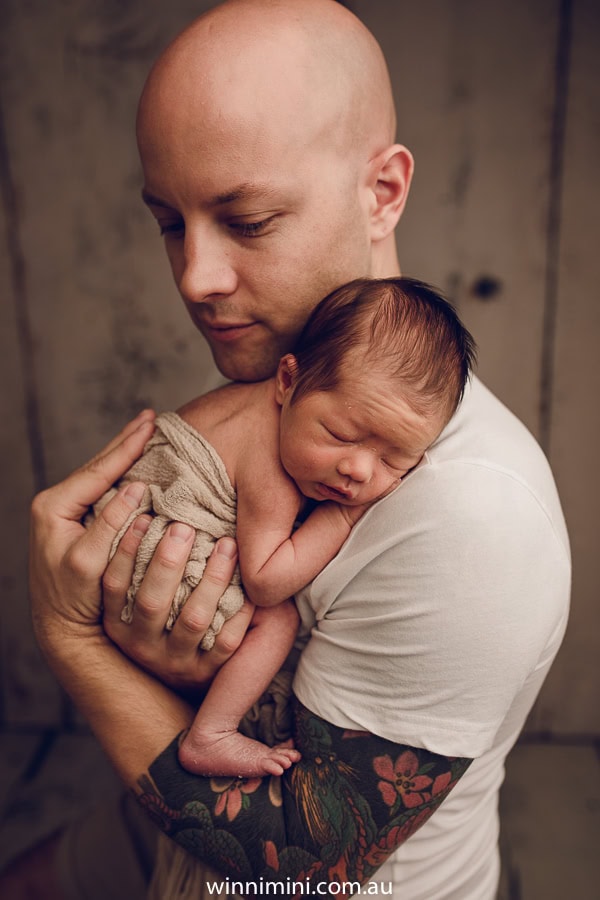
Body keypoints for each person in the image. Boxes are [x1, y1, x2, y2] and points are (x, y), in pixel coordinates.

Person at [5, 0, 570, 898]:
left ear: (382, 191)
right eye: (169, 222)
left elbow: (307, 863)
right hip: (164, 842)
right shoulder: (255, 409)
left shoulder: (473, 520)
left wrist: (74, 641)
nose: (196, 277)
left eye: (250, 220)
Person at [88, 276, 476, 779]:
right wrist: (341, 516)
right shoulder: (271, 462)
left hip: (125, 539)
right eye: (340, 434)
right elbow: (267, 579)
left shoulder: (275, 411)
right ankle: (212, 734)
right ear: (287, 383)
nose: (359, 470)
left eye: (394, 460)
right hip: (149, 553)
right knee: (278, 620)